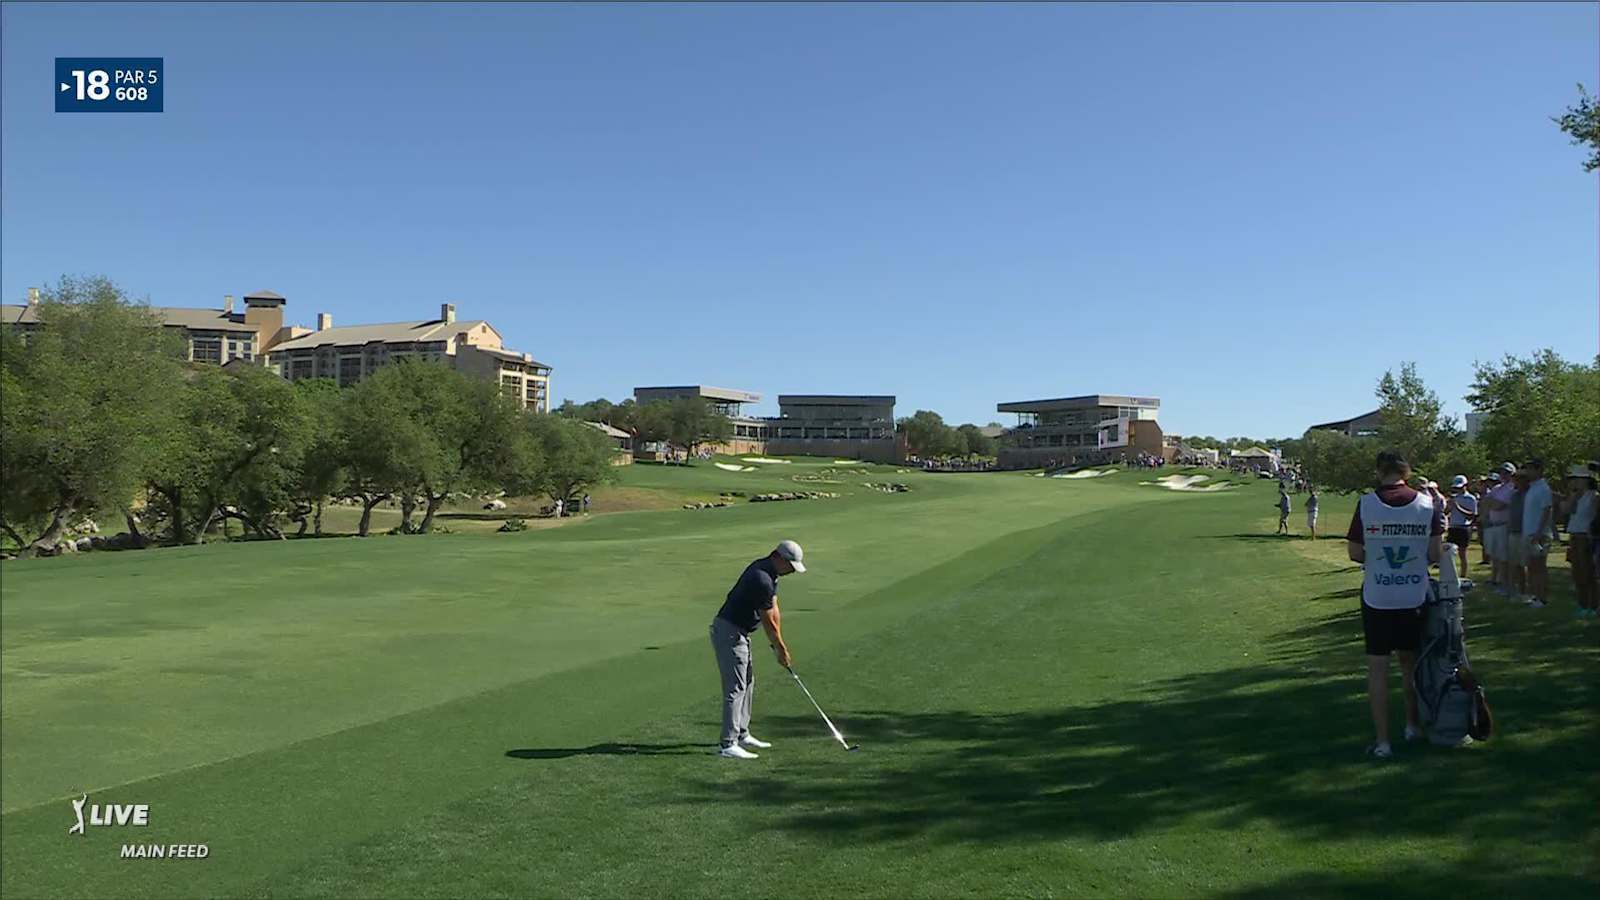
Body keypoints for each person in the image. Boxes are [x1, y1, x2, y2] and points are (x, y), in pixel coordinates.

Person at [1346, 450, 1442, 759]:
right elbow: (1435, 554)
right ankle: (1412, 725)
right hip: (1413, 595)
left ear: (1379, 472)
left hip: (1378, 595)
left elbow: (1355, 552)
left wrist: (1378, 557)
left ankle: (1383, 741)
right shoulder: (1427, 504)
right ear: (1407, 472)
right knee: (1410, 665)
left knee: (1378, 670)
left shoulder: (1366, 504)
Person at [710, 540, 806, 759]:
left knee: (748, 681)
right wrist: (780, 649)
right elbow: (767, 621)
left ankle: (742, 733)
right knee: (735, 687)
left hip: (740, 632)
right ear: (778, 557)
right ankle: (728, 744)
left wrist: (778, 645)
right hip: (729, 632)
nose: (792, 570)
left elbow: (774, 609)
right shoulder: (761, 577)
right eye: (790, 565)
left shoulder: (770, 572)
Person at [1562, 464, 1597, 619]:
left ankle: (1593, 605)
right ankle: (1582, 604)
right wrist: (1573, 497)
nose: (1575, 482)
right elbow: (1566, 510)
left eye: (1578, 479)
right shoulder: (1576, 496)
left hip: (1586, 537)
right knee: (1577, 573)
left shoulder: (1594, 496)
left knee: (1588, 572)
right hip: (1574, 536)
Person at [1520, 458, 1554, 608]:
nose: (1528, 472)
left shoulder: (1543, 488)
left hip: (1539, 534)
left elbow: (1547, 510)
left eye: (1531, 468)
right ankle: (1535, 596)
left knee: (1539, 567)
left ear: (1539, 470)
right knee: (1532, 567)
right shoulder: (1532, 488)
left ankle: (1542, 598)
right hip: (1529, 533)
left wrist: (1539, 532)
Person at [1482, 464, 1516, 596]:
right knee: (1495, 555)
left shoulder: (1512, 488)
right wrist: (1491, 503)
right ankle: (1495, 580)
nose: (1503, 475)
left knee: (1503, 557)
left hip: (1504, 525)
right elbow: (1485, 503)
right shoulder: (1497, 488)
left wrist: (1491, 503)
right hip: (1493, 525)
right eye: (1502, 472)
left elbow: (1498, 506)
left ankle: (1505, 583)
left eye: (1507, 473)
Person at [1445, 474, 1478, 577]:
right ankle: (1451, 575)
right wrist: (1449, 506)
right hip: (1453, 527)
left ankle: (1463, 576)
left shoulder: (1471, 498)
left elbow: (1471, 515)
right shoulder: (1454, 497)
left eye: (1460, 487)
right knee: (1449, 553)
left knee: (1462, 554)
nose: (1458, 490)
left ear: (1465, 486)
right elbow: (1446, 512)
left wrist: (1458, 507)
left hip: (1463, 527)